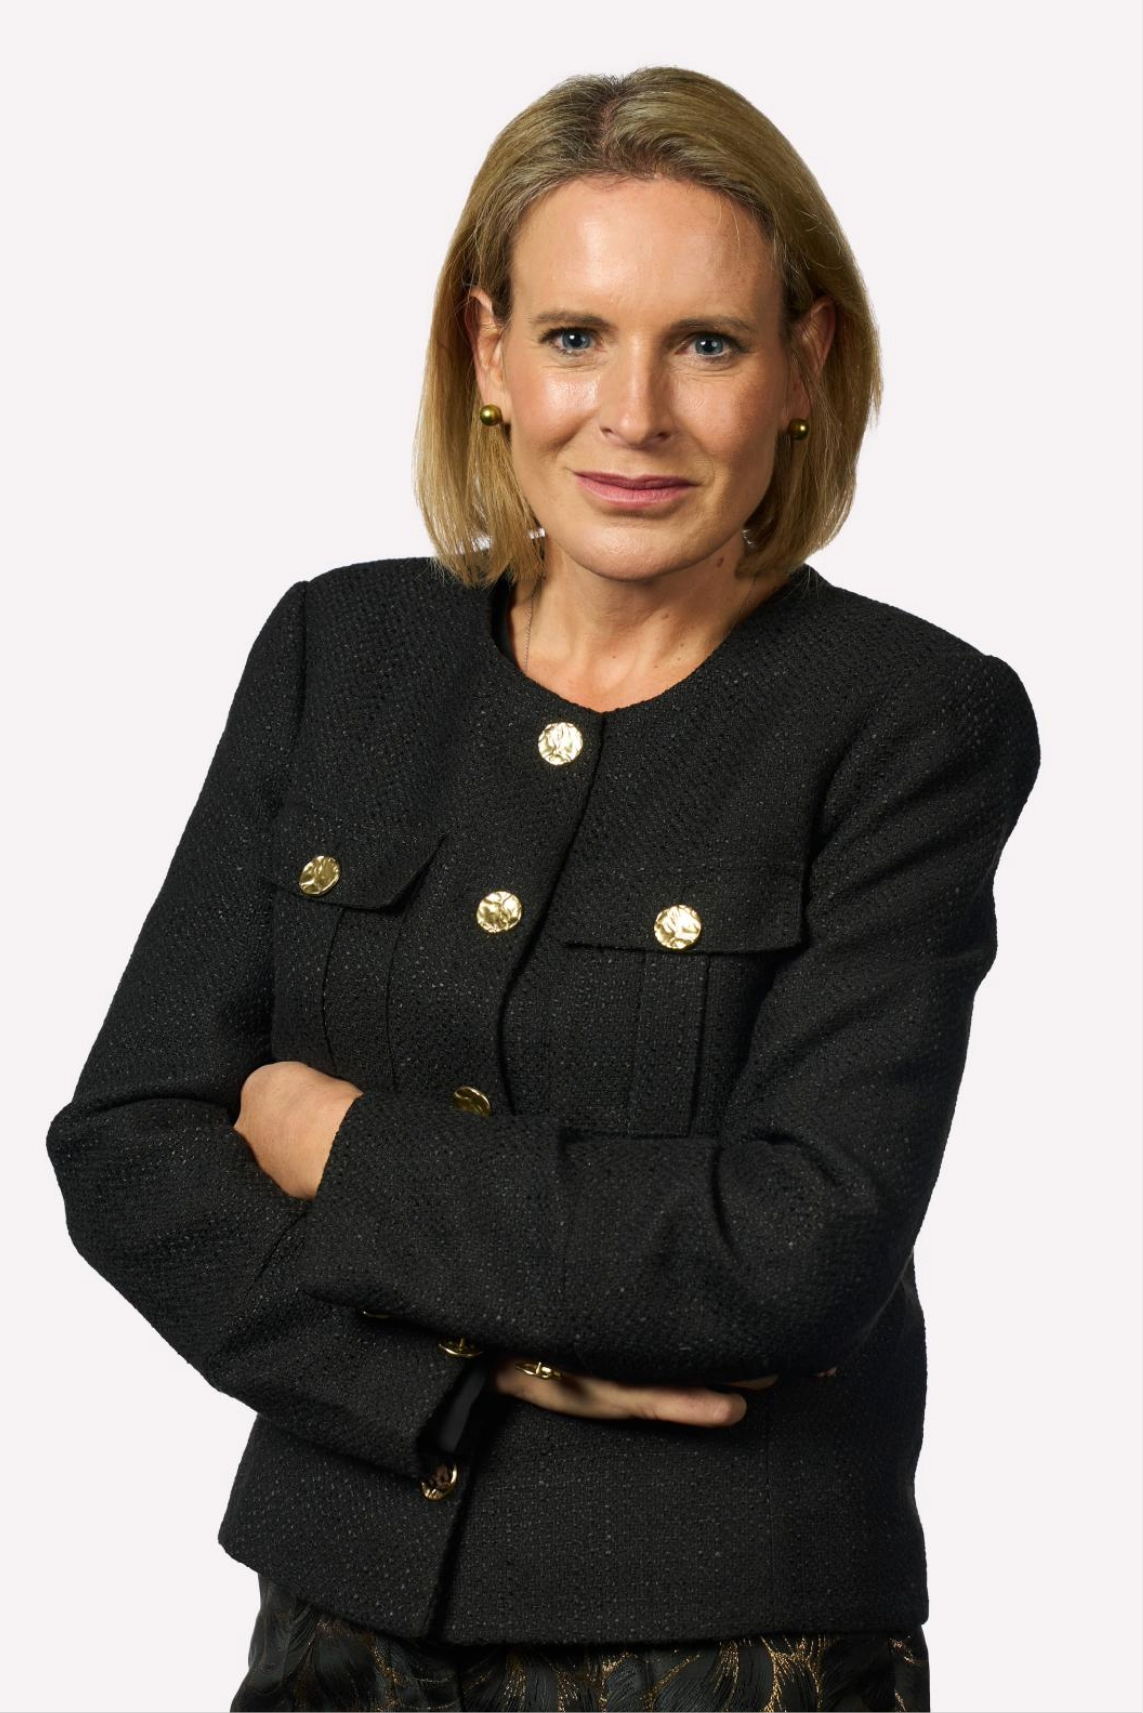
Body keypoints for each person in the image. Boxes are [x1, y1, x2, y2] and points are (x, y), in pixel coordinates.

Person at [45, 66, 1040, 1713]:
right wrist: (466, 1367)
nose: (632, 414)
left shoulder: (911, 719)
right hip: (335, 1621)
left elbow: (800, 1243)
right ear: (489, 352)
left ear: (806, 362)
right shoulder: (338, 651)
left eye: (705, 343)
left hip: (735, 1644)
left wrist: (336, 1139)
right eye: (576, 335)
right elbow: (130, 1142)